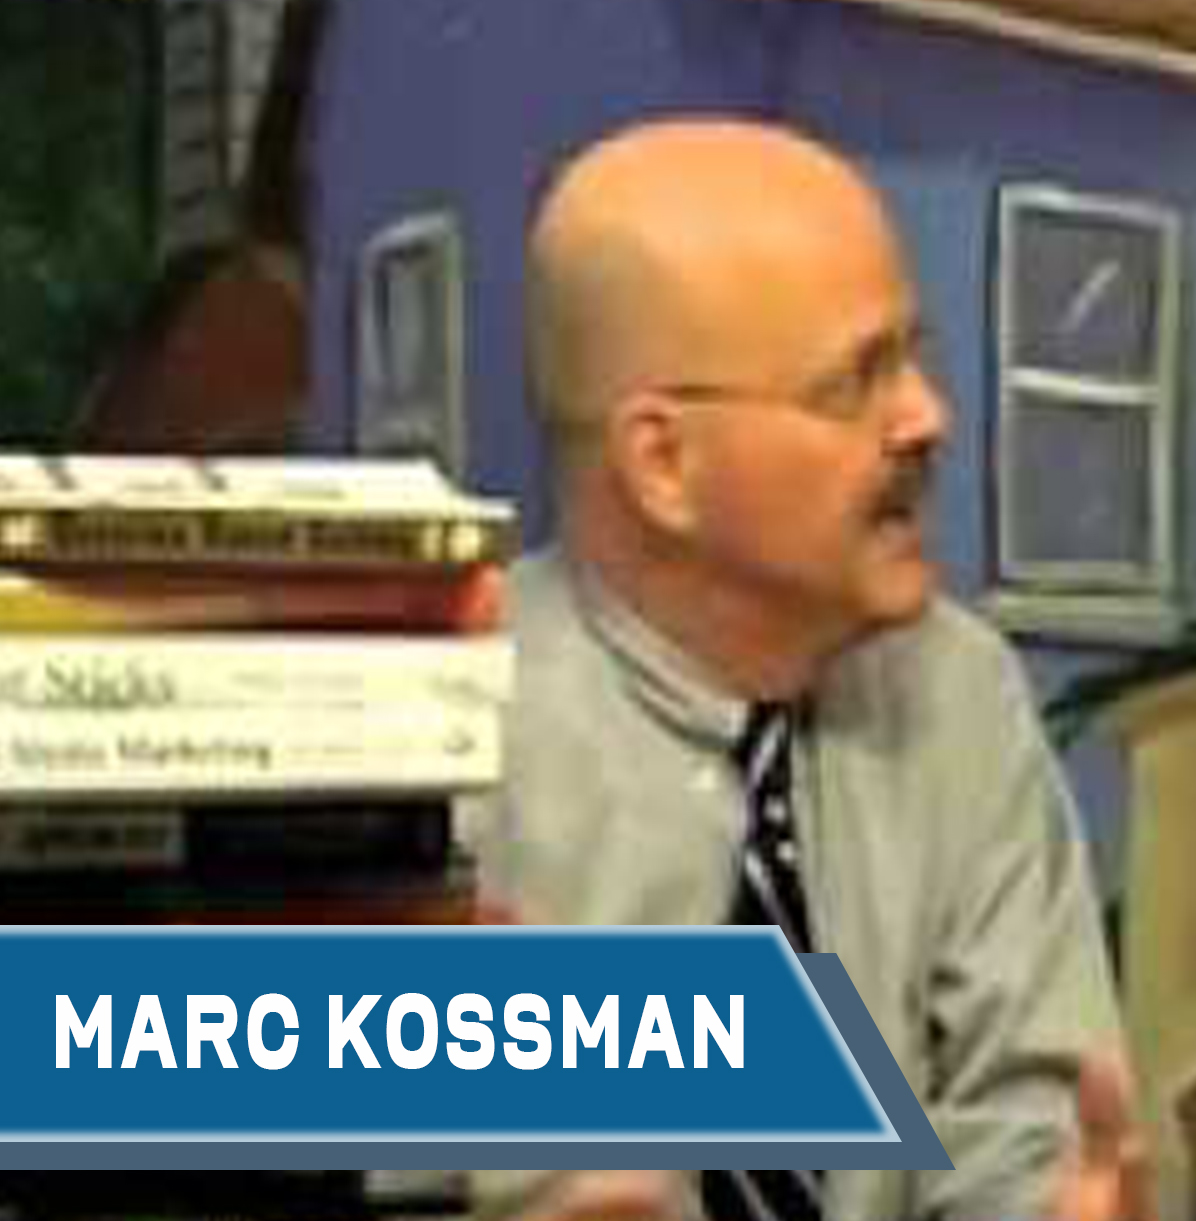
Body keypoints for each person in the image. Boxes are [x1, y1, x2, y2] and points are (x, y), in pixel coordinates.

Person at [465, 116, 1147, 1221]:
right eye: (857, 382)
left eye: (913, 358)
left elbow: (1031, 1135)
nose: (926, 418)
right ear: (662, 463)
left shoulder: (956, 695)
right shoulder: (439, 745)